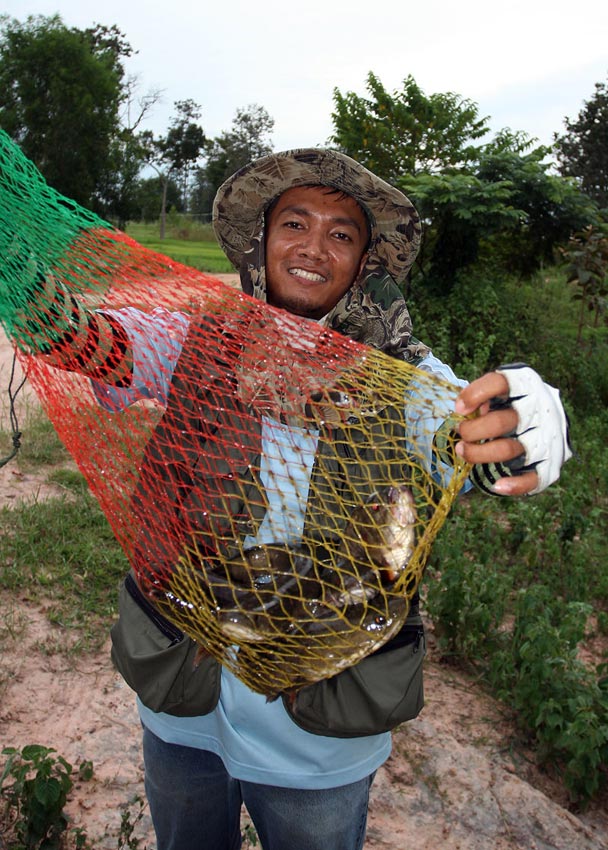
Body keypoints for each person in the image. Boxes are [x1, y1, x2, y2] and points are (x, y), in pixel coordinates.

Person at [17, 149, 571, 850]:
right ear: (262, 241)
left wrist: (522, 426)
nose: (314, 247)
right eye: (295, 223)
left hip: (321, 742)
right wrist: (25, 285)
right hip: (185, 703)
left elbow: (463, 431)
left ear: (366, 261)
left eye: (342, 233)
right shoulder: (198, 336)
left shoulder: (409, 375)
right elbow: (94, 344)